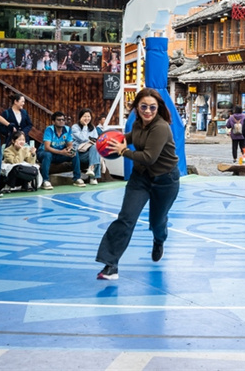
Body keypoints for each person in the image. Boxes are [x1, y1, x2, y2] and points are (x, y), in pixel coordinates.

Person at [95, 88, 180, 279]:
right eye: (143, 106)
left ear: (158, 108)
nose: (148, 111)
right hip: (140, 178)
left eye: (152, 107)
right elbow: (130, 138)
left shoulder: (161, 127)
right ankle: (110, 265)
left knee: (157, 222)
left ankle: (159, 240)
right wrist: (108, 141)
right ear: (136, 107)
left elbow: (149, 157)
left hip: (165, 180)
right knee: (126, 218)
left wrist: (123, 151)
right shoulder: (138, 124)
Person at [37, 111, 83, 190]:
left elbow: (69, 144)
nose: (61, 121)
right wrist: (61, 152)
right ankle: (45, 181)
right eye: (59, 120)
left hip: (59, 154)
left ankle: (77, 178)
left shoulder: (67, 129)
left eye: (63, 120)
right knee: (48, 155)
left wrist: (69, 150)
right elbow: (47, 148)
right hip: (44, 153)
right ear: (53, 121)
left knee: (74, 153)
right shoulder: (49, 129)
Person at [71, 108, 102, 185]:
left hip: (90, 153)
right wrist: (85, 126)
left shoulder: (92, 127)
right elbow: (83, 138)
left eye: (89, 116)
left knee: (95, 147)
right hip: (79, 154)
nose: (87, 118)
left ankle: (91, 170)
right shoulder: (75, 127)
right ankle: (93, 176)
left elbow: (95, 140)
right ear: (80, 117)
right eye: (85, 116)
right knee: (96, 152)